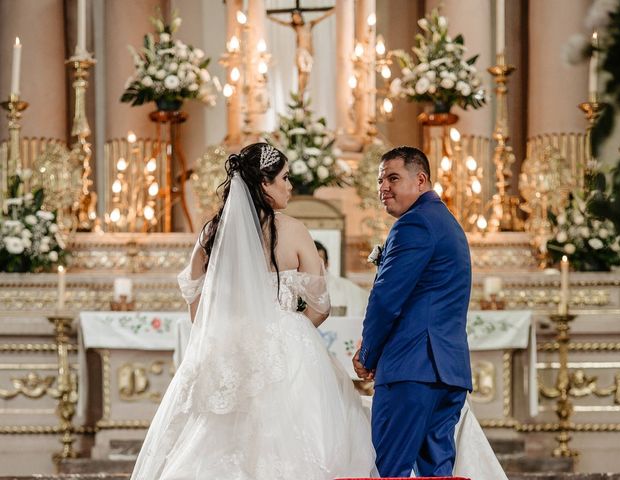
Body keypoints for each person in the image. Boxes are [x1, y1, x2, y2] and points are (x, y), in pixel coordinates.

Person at [130, 143, 376, 479]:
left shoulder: (211, 233)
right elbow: (321, 305)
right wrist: (290, 330)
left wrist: (228, 328)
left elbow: (195, 303)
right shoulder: (293, 230)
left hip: (226, 347)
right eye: (285, 178)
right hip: (288, 350)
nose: (290, 186)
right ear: (264, 182)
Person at [353, 146, 473, 477]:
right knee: (437, 474)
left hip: (412, 368)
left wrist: (369, 353)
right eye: (380, 181)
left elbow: (386, 299)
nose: (383, 188)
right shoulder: (446, 222)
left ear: (421, 180)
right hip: (447, 371)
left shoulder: (415, 224)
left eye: (393, 178)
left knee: (390, 470)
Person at [315, 240, 370, 317]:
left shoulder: (348, 289)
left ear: (327, 264)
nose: (314, 265)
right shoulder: (294, 289)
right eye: (311, 260)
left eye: (319, 261)